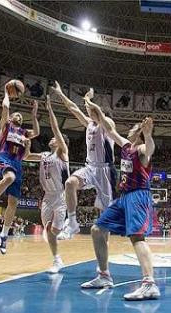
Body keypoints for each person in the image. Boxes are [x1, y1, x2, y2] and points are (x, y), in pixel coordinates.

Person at [81, 97, 159, 301]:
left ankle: (149, 283)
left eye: (137, 128)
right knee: (97, 229)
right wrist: (94, 106)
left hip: (138, 195)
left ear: (140, 134)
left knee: (137, 237)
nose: (133, 128)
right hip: (123, 197)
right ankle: (104, 275)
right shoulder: (125, 145)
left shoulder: (141, 149)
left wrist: (149, 135)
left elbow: (149, 150)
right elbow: (107, 126)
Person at [51, 82, 116, 239]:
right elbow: (73, 108)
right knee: (69, 183)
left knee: (103, 218)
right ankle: (72, 223)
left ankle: (103, 257)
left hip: (105, 171)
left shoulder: (108, 124)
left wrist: (88, 98)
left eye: (90, 109)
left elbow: (99, 114)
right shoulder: (89, 124)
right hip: (90, 168)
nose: (87, 110)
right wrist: (60, 93)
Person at [0, 84, 40, 255]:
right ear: (11, 118)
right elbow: (5, 107)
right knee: (9, 178)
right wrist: (6, 92)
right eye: (17, 115)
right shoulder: (6, 126)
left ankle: (3, 236)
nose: (20, 117)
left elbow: (36, 131)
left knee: (13, 203)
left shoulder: (23, 133)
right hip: (4, 158)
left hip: (17, 164)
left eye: (22, 116)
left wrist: (34, 115)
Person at [24, 95, 69, 273]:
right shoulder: (44, 155)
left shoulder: (62, 153)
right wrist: (27, 145)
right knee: (48, 231)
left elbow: (55, 128)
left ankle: (66, 225)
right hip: (47, 197)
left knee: (55, 232)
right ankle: (57, 260)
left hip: (60, 196)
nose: (51, 138)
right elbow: (27, 157)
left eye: (54, 138)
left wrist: (49, 109)